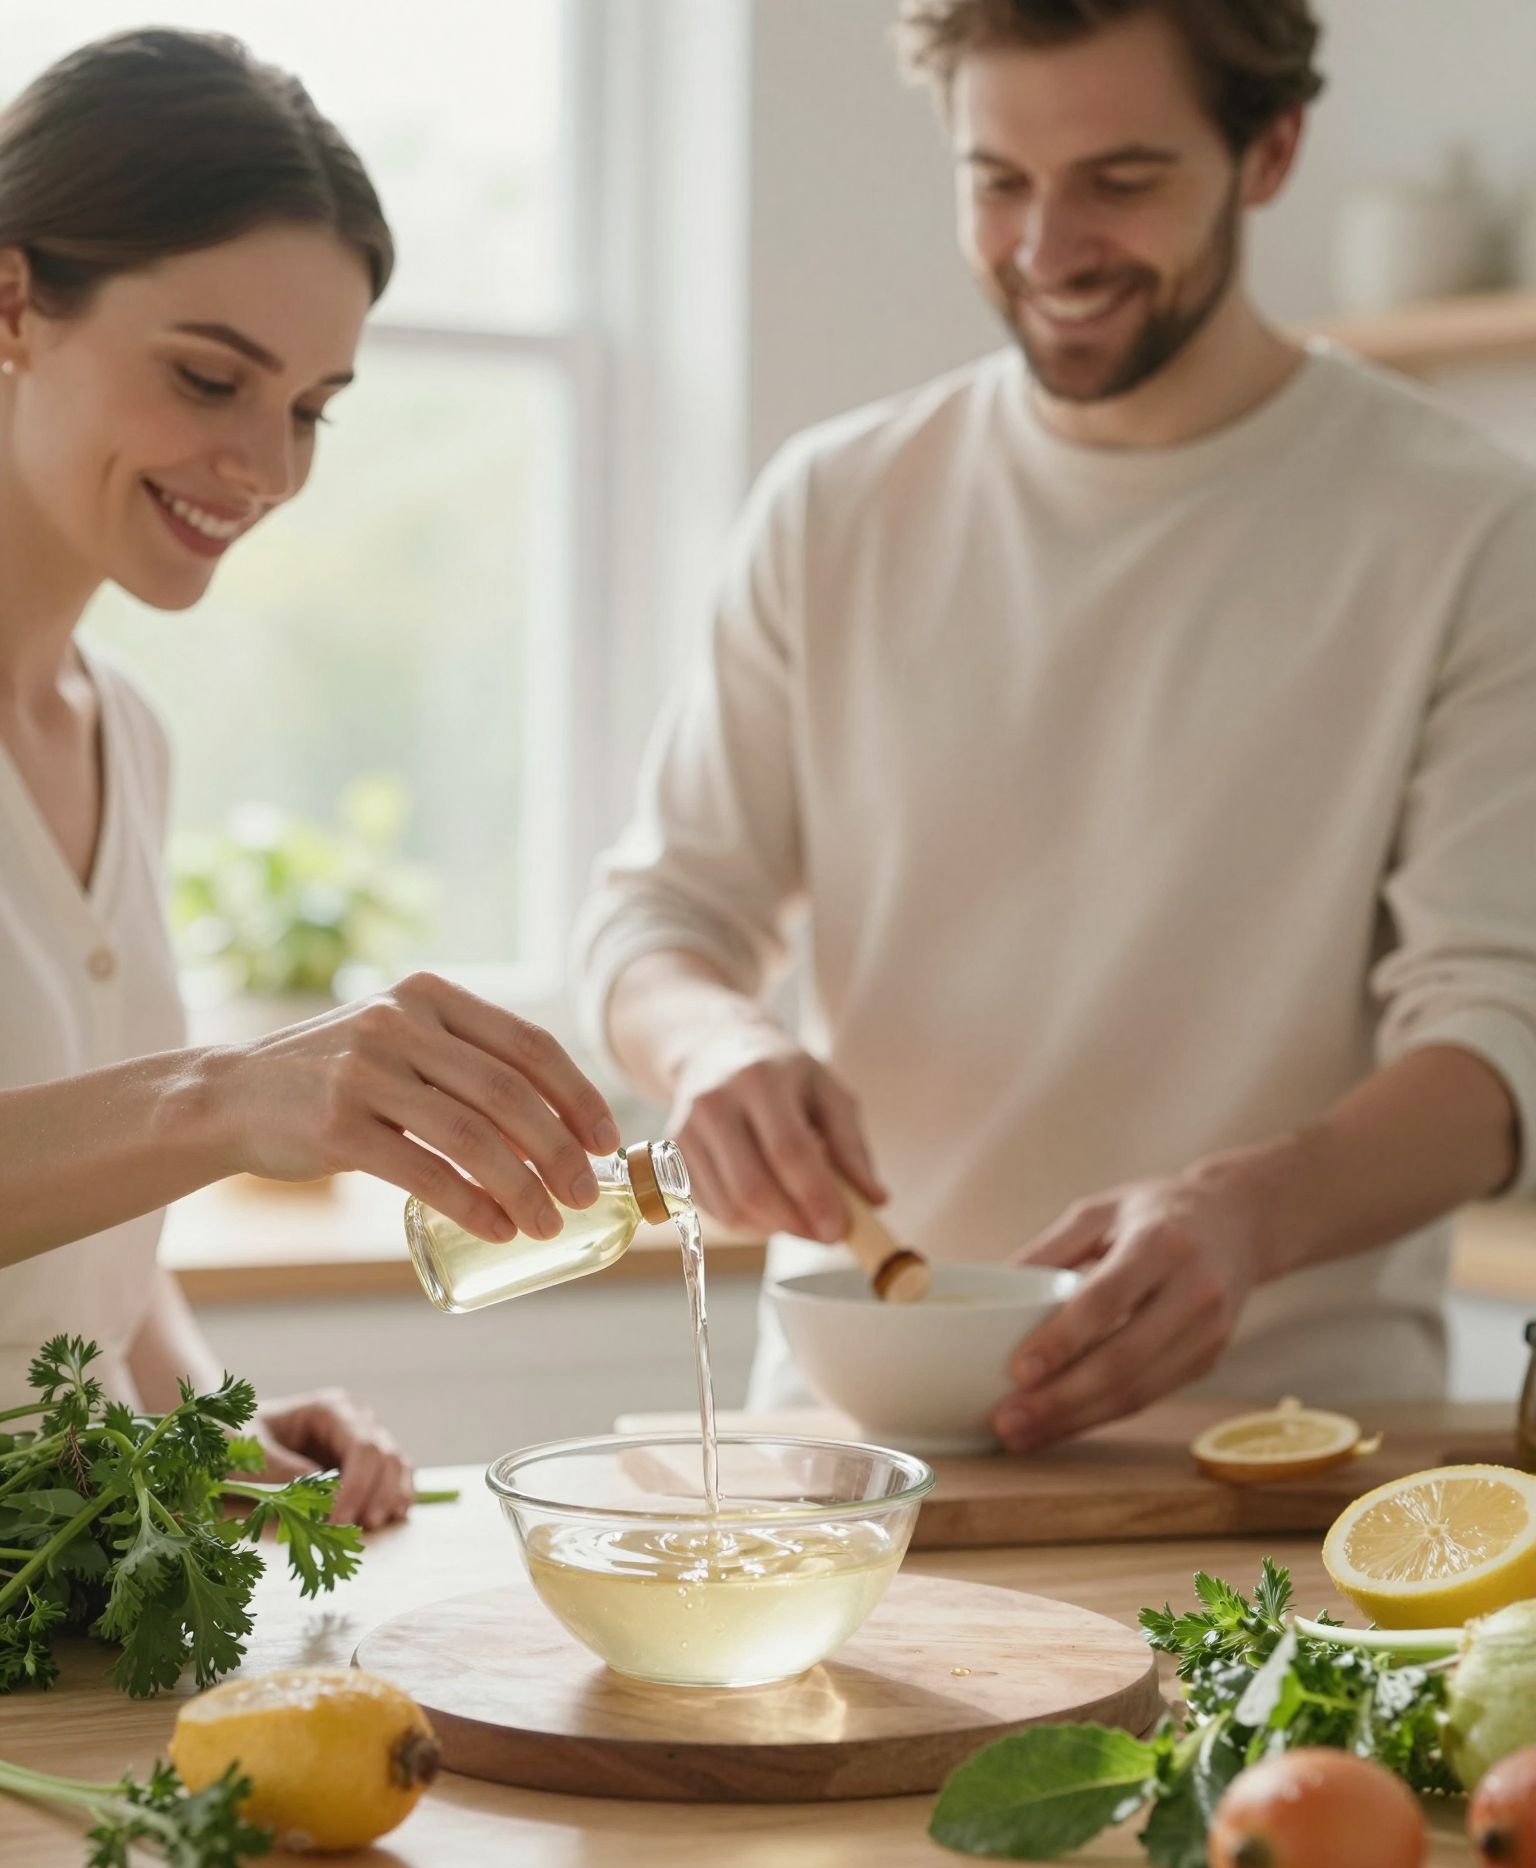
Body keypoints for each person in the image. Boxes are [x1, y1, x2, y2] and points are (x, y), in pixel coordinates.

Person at [574, 0, 1536, 1450]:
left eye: (1122, 181)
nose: (1046, 248)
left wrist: (1246, 1218)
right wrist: (712, 1047)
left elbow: (1496, 1043)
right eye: (997, 181)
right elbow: (658, 918)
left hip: (1275, 1446)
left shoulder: (1467, 528)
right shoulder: (835, 505)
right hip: (857, 1446)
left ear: (1267, 152)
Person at [0, 31, 618, 1524]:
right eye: (212, 377)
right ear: (12, 301)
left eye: (311, 408)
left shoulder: (122, 734)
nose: (267, 466)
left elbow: (82, 1264)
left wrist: (203, 1428)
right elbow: (157, 1124)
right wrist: (223, 1097)